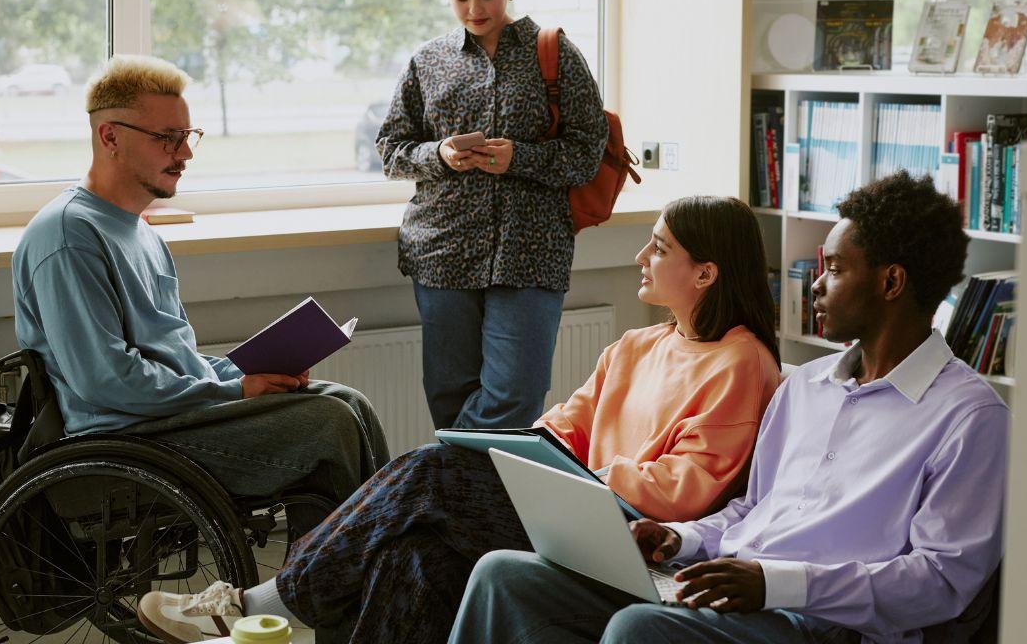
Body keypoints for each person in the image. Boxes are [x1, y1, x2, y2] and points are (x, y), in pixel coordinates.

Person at [138, 196, 781, 643]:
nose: (642, 254)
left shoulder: (742, 364)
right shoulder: (637, 346)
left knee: (431, 474)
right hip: (568, 504)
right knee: (412, 554)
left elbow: (684, 491)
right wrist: (525, 456)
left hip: (626, 535)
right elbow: (562, 426)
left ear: (705, 271)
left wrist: (577, 476)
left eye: (660, 246)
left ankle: (248, 606)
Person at [450, 172, 1009, 644]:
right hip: (727, 584)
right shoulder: (807, 387)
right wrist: (679, 538)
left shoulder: (968, 418)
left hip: (822, 622)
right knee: (504, 574)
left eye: (836, 270)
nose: (816, 285)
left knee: (641, 630)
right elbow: (751, 512)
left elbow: (942, 582)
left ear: (891, 282)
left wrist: (776, 583)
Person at [12, 54, 389, 533]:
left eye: (187, 137)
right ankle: (339, 586)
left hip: (166, 422)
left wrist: (251, 370)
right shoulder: (68, 236)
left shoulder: (141, 232)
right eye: (167, 138)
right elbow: (104, 380)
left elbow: (175, 360)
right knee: (328, 424)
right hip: (122, 441)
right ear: (110, 136)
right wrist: (233, 389)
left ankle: (372, 570)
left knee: (348, 402)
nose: (185, 154)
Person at [376, 0, 609, 430]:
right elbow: (391, 150)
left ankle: (440, 486)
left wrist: (519, 159)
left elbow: (589, 153)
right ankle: (471, 504)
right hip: (442, 250)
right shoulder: (428, 61)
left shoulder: (556, 54)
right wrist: (439, 154)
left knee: (514, 395)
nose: (475, 10)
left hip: (530, 252)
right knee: (448, 396)